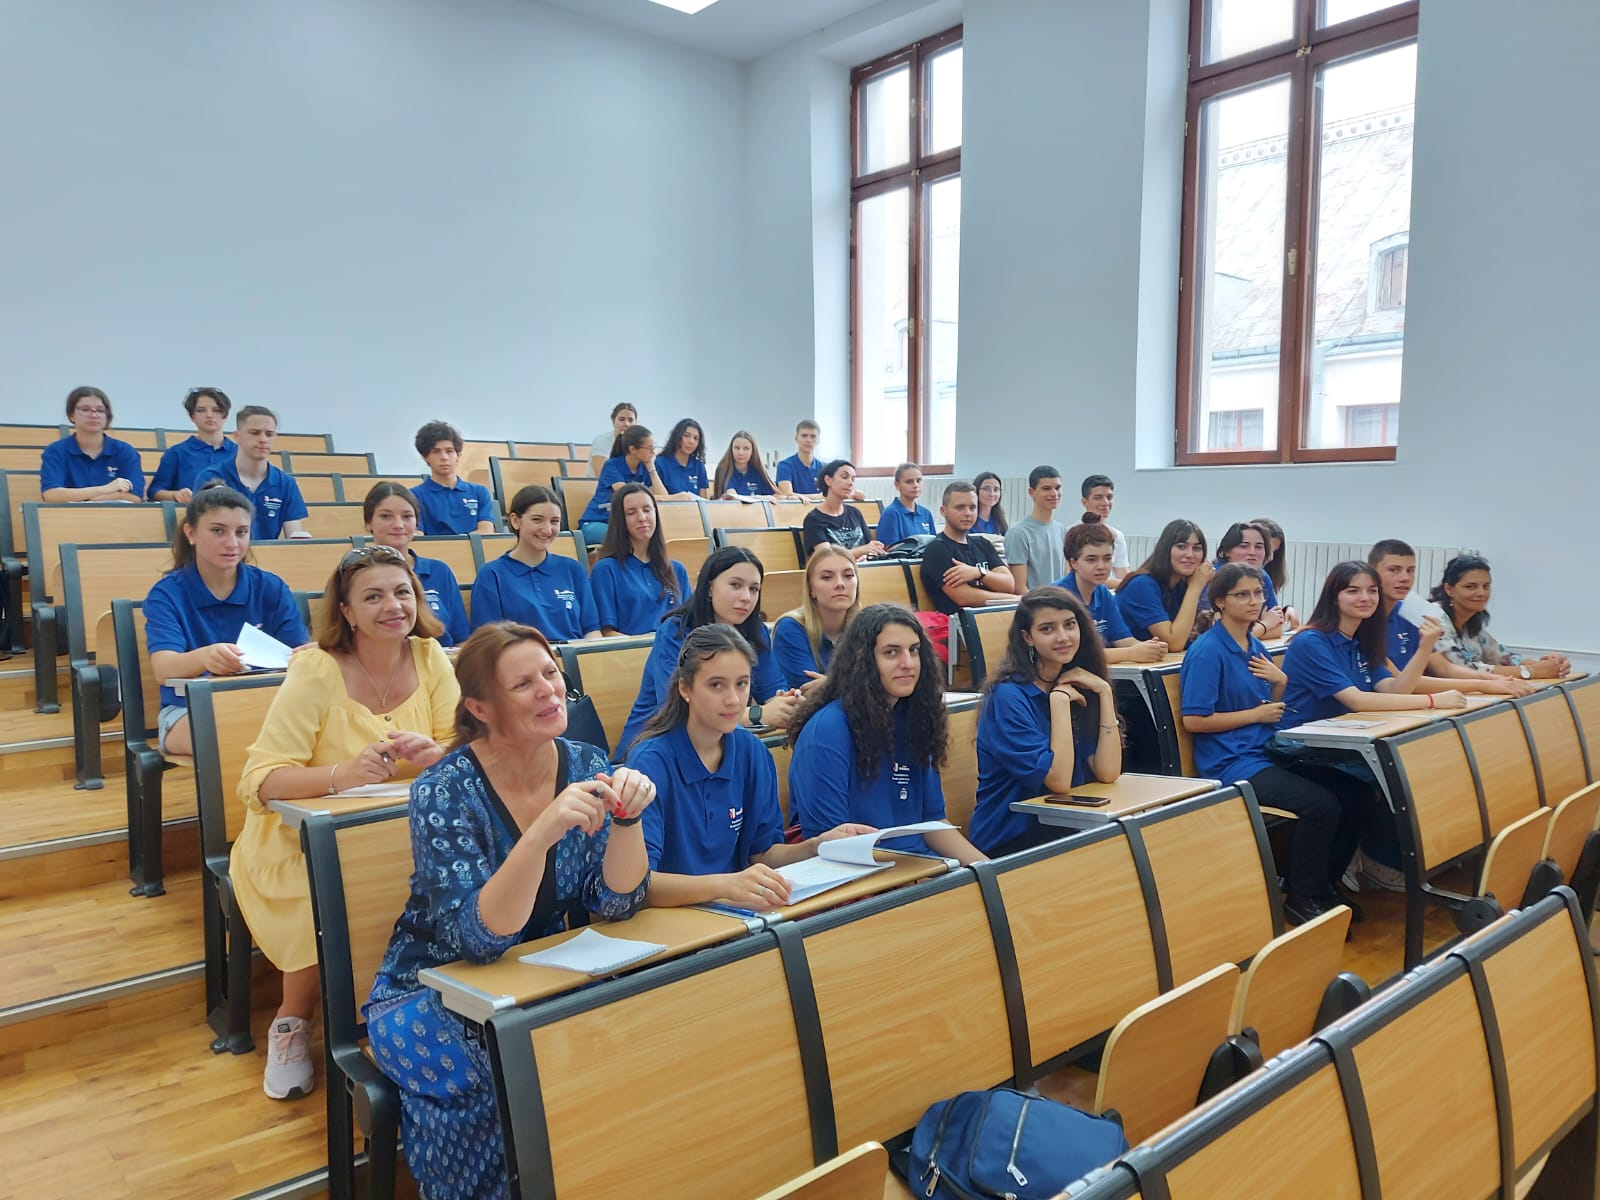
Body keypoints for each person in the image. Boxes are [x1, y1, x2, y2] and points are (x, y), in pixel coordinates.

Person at [366, 622, 655, 1200]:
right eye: (523, 684)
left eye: (551, 673)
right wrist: (541, 833)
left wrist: (629, 820)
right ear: (480, 708)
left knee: (638, 1036)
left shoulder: (586, 762)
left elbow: (616, 902)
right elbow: (477, 940)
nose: (548, 690)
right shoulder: (443, 789)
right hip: (430, 988)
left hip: (539, 974)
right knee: (501, 1076)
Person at [233, 545, 456, 1100]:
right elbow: (261, 780)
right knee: (325, 900)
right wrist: (344, 775)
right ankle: (292, 1021)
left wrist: (438, 754)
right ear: (347, 612)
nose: (393, 606)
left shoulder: (430, 656)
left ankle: (416, 1012)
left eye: (402, 592)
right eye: (373, 597)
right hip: (298, 840)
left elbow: (465, 747)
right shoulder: (317, 670)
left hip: (402, 832)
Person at [1181, 564, 1373, 923]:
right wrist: (1254, 715)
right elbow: (1194, 720)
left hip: (1266, 750)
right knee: (1320, 805)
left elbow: (1270, 707)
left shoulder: (1253, 645)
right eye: (1242, 594)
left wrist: (1281, 683)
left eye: (1258, 593)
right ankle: (1302, 896)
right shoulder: (1208, 650)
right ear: (1220, 601)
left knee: (1358, 794)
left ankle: (1325, 885)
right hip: (1231, 762)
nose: (1254, 601)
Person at [627, 624, 868, 909]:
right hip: (674, 918)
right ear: (685, 688)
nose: (733, 699)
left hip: (737, 914)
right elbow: (641, 886)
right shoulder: (650, 763)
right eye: (716, 685)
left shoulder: (752, 752)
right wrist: (726, 885)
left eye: (741, 684)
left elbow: (762, 854)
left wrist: (817, 845)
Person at [788, 604, 986, 864]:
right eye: (891, 652)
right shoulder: (827, 731)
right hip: (866, 875)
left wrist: (989, 872)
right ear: (863, 661)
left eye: (914, 650)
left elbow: (934, 822)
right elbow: (831, 847)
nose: (908, 663)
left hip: (921, 869)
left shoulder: (915, 719)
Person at [145, 484, 309, 757]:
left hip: (266, 704)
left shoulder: (271, 587)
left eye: (241, 532)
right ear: (191, 533)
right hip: (186, 710)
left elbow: (298, 652)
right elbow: (163, 668)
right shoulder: (166, 594)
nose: (232, 544)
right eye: (218, 531)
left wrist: (313, 653)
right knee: (238, 737)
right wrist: (205, 657)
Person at [971, 587, 1121, 856]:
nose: (1063, 637)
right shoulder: (1007, 697)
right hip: (1010, 841)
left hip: (1065, 827)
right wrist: (1060, 700)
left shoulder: (1080, 682)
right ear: (1027, 637)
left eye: (1070, 625)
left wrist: (1104, 692)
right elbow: (1059, 781)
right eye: (1047, 629)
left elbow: (1107, 772)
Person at [618, 546, 799, 755]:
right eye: (735, 585)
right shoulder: (675, 631)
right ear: (710, 587)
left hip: (719, 742)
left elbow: (772, 691)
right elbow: (679, 712)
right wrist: (758, 714)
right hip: (656, 748)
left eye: (754, 589)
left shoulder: (756, 631)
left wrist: (787, 704)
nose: (746, 597)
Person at [1278, 560, 1467, 727]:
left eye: (1372, 591)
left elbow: (1396, 690)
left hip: (1343, 737)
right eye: (1353, 591)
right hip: (1299, 743)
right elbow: (1357, 701)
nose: (1365, 598)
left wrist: (1425, 647)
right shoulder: (1310, 642)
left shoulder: (1361, 640)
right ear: (1334, 598)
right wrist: (1432, 700)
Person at [1368, 540, 1533, 696]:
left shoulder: (1411, 611)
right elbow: (1399, 683)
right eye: (1394, 570)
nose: (1405, 578)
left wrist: (1499, 680)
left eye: (1410, 570)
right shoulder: (1366, 619)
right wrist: (1485, 684)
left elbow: (1444, 668)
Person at [472, 485, 600, 642]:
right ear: (515, 521)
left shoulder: (573, 569)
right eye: (537, 520)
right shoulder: (491, 575)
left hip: (574, 655)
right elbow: (489, 641)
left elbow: (592, 631)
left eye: (554, 521)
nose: (547, 530)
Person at [1429, 552, 1571, 680]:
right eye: (1470, 587)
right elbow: (1463, 669)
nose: (1481, 593)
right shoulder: (1434, 617)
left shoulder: (1470, 621)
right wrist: (1531, 671)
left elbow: (1505, 658)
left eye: (1486, 586)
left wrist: (1550, 665)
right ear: (1449, 589)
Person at [363, 481, 470, 647]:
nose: (398, 525)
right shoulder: (355, 574)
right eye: (386, 516)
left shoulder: (439, 571)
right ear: (368, 523)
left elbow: (461, 639)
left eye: (407, 516)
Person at [917, 482, 1015, 659]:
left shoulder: (982, 543)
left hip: (993, 619)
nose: (968, 513)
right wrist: (1016, 600)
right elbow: (965, 598)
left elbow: (1008, 584)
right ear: (943, 511)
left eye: (972, 507)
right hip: (961, 630)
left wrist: (979, 573)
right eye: (960, 507)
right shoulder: (938, 550)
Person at [1055, 522, 1166, 665]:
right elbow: (1074, 655)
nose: (1101, 566)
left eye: (1107, 558)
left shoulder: (1103, 593)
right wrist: (1131, 653)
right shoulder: (1058, 597)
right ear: (1073, 563)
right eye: (1091, 560)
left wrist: (1151, 648)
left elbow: (1124, 640)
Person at [590, 483, 690, 636]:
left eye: (647, 510)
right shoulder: (606, 569)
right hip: (631, 649)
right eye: (631, 513)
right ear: (620, 520)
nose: (642, 518)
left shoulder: (677, 569)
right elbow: (607, 633)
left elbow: (690, 624)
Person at [195, 405, 308, 539]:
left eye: (269, 434)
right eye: (255, 433)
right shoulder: (210, 477)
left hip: (269, 553)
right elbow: (202, 533)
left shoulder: (286, 483)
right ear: (237, 436)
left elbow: (294, 536)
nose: (263, 439)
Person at [772, 544, 860, 689]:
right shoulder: (790, 628)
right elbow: (809, 690)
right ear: (811, 589)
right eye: (827, 577)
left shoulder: (868, 626)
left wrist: (829, 684)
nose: (840, 584)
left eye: (848, 575)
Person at [1115, 518, 1213, 648]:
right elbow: (1173, 644)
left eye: (1197, 548)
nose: (1190, 554)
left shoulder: (1180, 585)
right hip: (1127, 659)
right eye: (1181, 546)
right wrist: (1195, 588)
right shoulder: (1142, 585)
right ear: (1165, 549)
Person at [40, 386, 145, 503]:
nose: (94, 415)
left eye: (100, 410)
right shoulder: (56, 451)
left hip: (117, 514)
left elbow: (134, 496)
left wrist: (84, 498)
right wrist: (104, 489)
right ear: (71, 415)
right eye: (85, 409)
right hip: (69, 514)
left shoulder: (125, 451)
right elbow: (51, 494)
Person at [579, 424, 670, 546]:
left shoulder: (644, 467)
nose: (653, 452)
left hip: (624, 525)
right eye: (650, 448)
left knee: (654, 534)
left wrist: (651, 467)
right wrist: (675, 497)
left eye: (654, 447)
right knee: (632, 538)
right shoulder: (612, 465)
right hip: (597, 523)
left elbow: (664, 498)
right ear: (633, 449)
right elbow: (629, 498)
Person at [146, 387, 235, 503]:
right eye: (201, 410)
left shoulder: (240, 453)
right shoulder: (176, 453)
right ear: (192, 416)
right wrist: (175, 495)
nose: (209, 415)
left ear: (225, 414)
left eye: (216, 410)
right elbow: (154, 492)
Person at [410, 420, 496, 536]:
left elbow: (486, 531)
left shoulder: (479, 492)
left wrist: (457, 543)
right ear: (425, 457)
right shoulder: (414, 496)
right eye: (436, 452)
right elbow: (418, 536)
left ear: (458, 455)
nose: (444, 457)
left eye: (449, 451)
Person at [1213, 522, 1289, 636]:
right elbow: (1226, 636)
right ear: (1227, 551)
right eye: (1244, 546)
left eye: (1259, 547)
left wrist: (1254, 631)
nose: (1252, 553)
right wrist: (1265, 624)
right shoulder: (1213, 577)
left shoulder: (1262, 576)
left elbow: (1277, 629)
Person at [800, 460, 884, 560]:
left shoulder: (855, 513)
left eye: (853, 479)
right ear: (828, 480)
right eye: (844, 477)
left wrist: (866, 555)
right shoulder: (814, 519)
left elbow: (869, 546)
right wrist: (862, 551)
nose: (850, 483)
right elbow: (827, 557)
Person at [1002, 466, 1067, 592]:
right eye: (1046, 488)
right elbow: (1019, 588)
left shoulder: (1061, 530)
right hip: (1035, 603)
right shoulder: (1019, 533)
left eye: (1058, 488)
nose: (1054, 493)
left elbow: (1065, 578)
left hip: (1060, 600)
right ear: (1032, 492)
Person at [1080, 474, 1131, 586]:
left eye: (1109, 497)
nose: (1105, 503)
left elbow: (1122, 571)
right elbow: (1079, 576)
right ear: (1084, 502)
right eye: (1098, 498)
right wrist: (1122, 584)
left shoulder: (1116, 535)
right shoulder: (1073, 533)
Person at [875, 462, 936, 545]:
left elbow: (933, 543)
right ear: (897, 484)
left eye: (918, 481)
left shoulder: (926, 513)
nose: (916, 485)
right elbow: (889, 548)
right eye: (909, 482)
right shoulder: (890, 513)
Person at [655, 418, 711, 498]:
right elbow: (655, 498)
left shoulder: (699, 466)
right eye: (686, 436)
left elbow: (703, 501)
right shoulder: (660, 463)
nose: (691, 441)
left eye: (696, 438)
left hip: (694, 506)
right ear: (677, 437)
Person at [712, 429, 777, 498]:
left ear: (753, 451)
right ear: (731, 449)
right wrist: (761, 498)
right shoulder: (723, 469)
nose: (741, 453)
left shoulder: (758, 471)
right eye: (737, 448)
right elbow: (733, 497)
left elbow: (775, 495)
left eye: (746, 448)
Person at [775, 419, 823, 496]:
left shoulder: (824, 468)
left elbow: (829, 495)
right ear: (796, 438)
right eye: (804, 436)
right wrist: (819, 497)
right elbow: (787, 495)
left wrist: (798, 497)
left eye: (813, 436)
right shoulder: (785, 465)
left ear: (818, 440)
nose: (808, 440)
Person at [590, 402, 637, 472]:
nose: (626, 424)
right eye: (621, 419)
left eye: (630, 420)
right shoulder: (601, 441)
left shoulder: (639, 443)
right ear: (613, 420)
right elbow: (602, 474)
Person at [1252, 517, 1290, 602]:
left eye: (1274, 551)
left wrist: (1288, 608)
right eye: (1266, 549)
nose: (1271, 558)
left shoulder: (1264, 576)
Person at [972, 471, 1008, 536]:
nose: (992, 494)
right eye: (986, 489)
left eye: (996, 489)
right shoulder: (968, 519)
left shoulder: (1000, 521)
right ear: (976, 491)